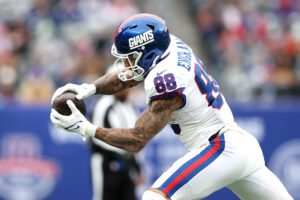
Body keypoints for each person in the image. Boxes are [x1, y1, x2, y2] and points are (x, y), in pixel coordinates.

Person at [50, 13, 293, 200]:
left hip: (220, 148)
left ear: (146, 53)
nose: (124, 63)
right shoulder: (169, 46)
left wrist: (86, 129)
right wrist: (89, 89)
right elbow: (131, 75)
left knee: (155, 197)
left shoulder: (167, 79)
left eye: (130, 56)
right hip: (240, 146)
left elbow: (137, 139)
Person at [89, 68, 142, 200]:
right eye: (123, 84)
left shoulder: (129, 107)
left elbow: (134, 139)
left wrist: (137, 168)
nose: (127, 89)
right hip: (106, 162)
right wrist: (125, 147)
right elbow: (97, 139)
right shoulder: (103, 105)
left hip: (126, 163)